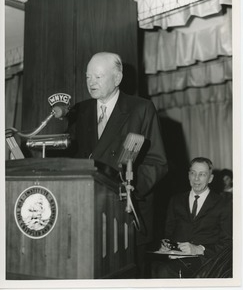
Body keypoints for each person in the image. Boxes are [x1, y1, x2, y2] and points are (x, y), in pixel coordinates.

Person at [66, 51, 168, 277]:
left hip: (127, 213)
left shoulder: (141, 108)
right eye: (87, 77)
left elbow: (157, 162)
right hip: (87, 211)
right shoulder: (79, 112)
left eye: (98, 77)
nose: (91, 83)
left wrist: (128, 188)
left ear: (117, 78)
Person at [151, 157, 232, 278]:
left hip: (204, 259)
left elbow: (228, 243)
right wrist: (165, 245)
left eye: (202, 174)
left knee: (166, 271)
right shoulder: (175, 200)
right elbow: (168, 234)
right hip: (175, 256)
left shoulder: (223, 204)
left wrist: (199, 249)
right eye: (193, 173)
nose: (196, 178)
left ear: (210, 178)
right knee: (152, 267)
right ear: (188, 175)